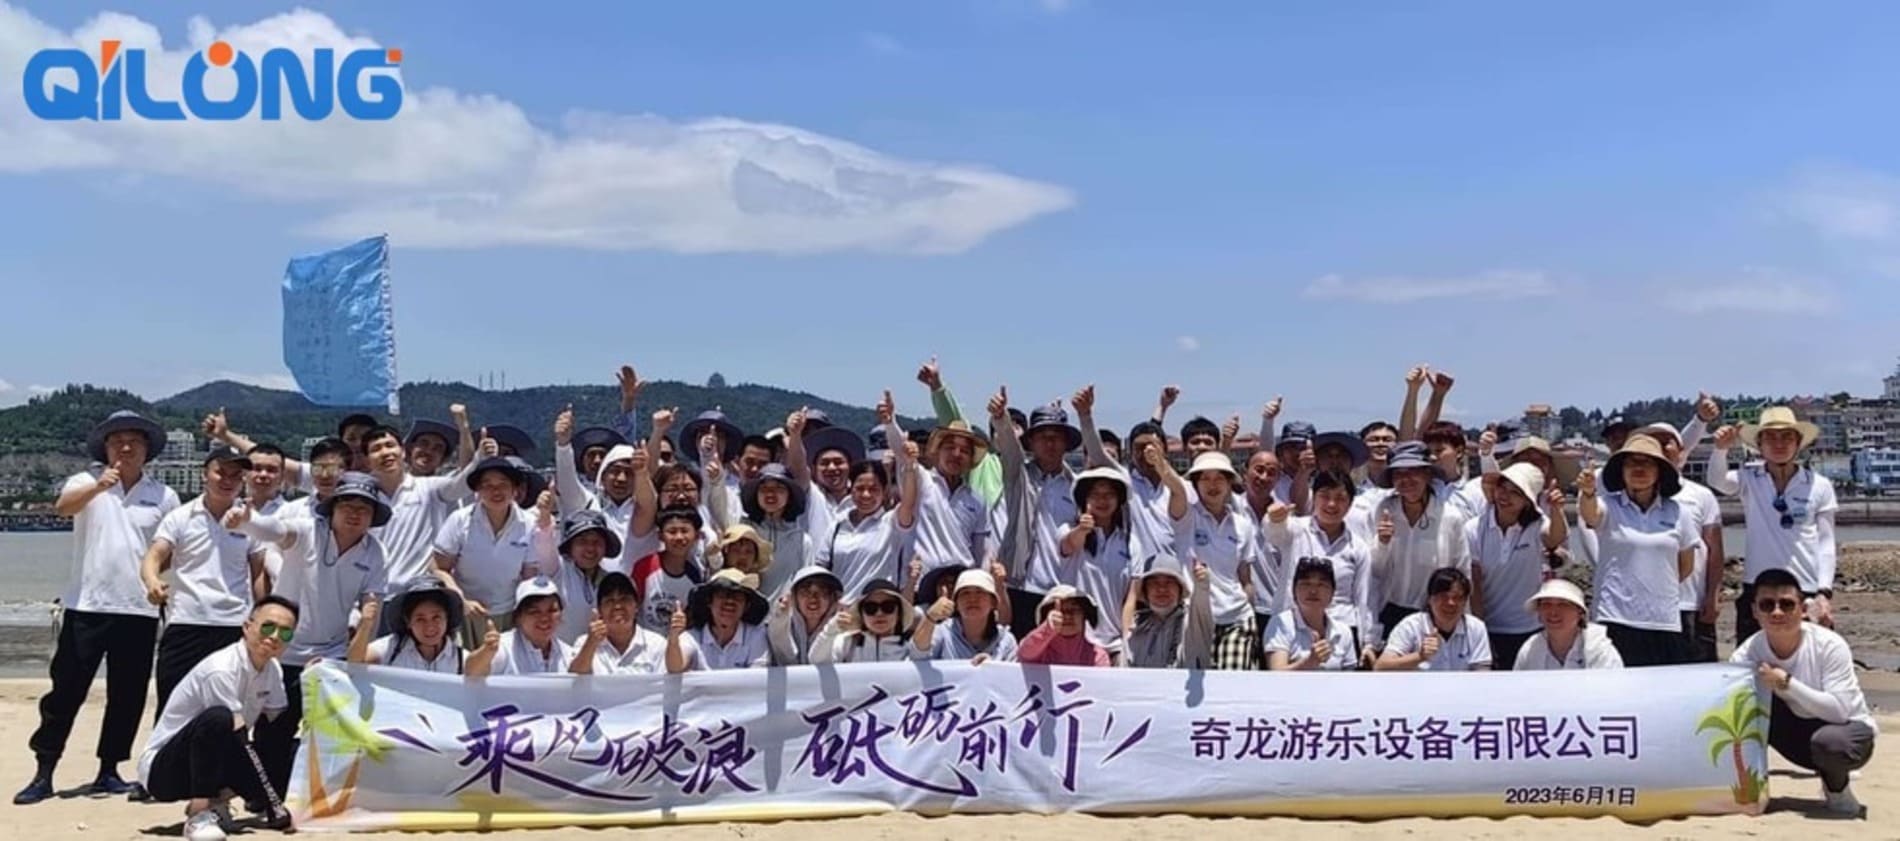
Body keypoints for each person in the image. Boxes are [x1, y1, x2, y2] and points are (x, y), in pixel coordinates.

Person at [20, 410, 177, 805]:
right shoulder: (85, 481)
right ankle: (44, 770)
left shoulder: (164, 495)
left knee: (128, 696)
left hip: (138, 610)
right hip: (86, 605)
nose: (125, 447)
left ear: (147, 450)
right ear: (105, 448)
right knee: (65, 691)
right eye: (117, 441)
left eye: (134, 441)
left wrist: (156, 579)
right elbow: (63, 508)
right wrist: (97, 487)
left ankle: (109, 770)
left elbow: (170, 548)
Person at [226, 471, 389, 798]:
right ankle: (263, 795)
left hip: (331, 657)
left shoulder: (375, 551)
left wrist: (365, 627)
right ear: (333, 508)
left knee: (328, 732)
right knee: (273, 729)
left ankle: (315, 794)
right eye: (347, 505)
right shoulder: (307, 531)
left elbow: (372, 602)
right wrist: (247, 522)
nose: (355, 514)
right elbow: (275, 530)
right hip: (284, 651)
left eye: (364, 508)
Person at [137, 596, 299, 841]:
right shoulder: (221, 669)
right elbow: (236, 735)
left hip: (217, 758)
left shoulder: (273, 669)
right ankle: (198, 815)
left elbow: (277, 723)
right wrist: (269, 798)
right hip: (165, 771)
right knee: (219, 719)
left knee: (289, 746)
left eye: (285, 633)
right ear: (247, 627)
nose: (275, 636)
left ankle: (218, 803)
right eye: (268, 627)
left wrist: (311, 678)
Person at [1731, 569, 1877, 818]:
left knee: (1831, 744)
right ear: (1755, 611)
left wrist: (1787, 683)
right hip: (1795, 735)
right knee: (1742, 713)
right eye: (1767, 605)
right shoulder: (1746, 655)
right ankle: (1751, 789)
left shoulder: (1829, 645)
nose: (1777, 612)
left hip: (1847, 732)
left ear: (1803, 609)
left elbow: (1840, 711)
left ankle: (1837, 789)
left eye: (1787, 604)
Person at [142, 446, 268, 715]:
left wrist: (263, 615)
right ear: (205, 474)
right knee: (173, 709)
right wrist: (152, 581)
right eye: (221, 472)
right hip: (186, 623)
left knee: (228, 711)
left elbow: (259, 573)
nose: (227, 480)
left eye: (235, 475)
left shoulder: (251, 521)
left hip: (234, 626)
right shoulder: (180, 517)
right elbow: (154, 556)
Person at [1706, 407, 1840, 642]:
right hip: (1757, 587)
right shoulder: (1749, 478)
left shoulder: (1819, 485)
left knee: (1810, 657)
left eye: (1787, 437)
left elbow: (1826, 542)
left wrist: (1824, 592)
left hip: (1805, 587)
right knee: (1752, 658)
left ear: (1798, 443)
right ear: (1759, 444)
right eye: (1771, 437)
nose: (1779, 444)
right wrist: (1720, 449)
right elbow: (1717, 481)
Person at [1578, 435, 1699, 667]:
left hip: (1664, 621)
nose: (1639, 468)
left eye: (1647, 463)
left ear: (1659, 472)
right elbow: (1590, 514)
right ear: (1621, 471)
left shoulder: (1678, 512)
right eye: (1631, 462)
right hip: (1614, 618)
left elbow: (1685, 566)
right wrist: (1588, 493)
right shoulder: (1609, 505)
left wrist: (1655, 584)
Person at [989, 386, 1085, 643]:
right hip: (1020, 587)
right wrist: (1000, 418)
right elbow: (1009, 448)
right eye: (1042, 436)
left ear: (1066, 443)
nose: (1050, 443)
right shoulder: (1018, 477)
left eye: (1056, 437)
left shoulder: (1077, 487)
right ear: (1031, 442)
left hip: (1063, 591)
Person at [1162, 448, 1262, 670]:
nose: (1212, 485)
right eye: (1205, 478)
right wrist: (1161, 464)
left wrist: (1249, 607)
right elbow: (1176, 489)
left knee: (1231, 682)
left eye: (1219, 478)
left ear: (1229, 483)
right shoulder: (1187, 517)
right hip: (1195, 617)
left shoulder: (1243, 525)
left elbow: (1245, 577)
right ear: (1196, 484)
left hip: (1237, 617)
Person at [1264, 469, 1377, 660]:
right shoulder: (1295, 529)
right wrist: (1274, 519)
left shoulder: (1358, 548)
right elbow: (1273, 533)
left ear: (1350, 504)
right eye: (1325, 496)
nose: (1332, 504)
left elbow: (1365, 597)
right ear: (1313, 498)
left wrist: (1368, 642)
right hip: (1294, 628)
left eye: (1340, 498)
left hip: (1341, 633)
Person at [812, 406, 921, 600]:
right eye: (860, 488)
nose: (866, 495)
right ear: (850, 487)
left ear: (884, 490)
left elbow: (909, 501)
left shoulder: (893, 522)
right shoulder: (837, 525)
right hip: (841, 612)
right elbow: (821, 568)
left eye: (873, 489)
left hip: (879, 611)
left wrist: (910, 465)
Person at [1637, 423, 1725, 663]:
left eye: (1667, 441)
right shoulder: (1631, 496)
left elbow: (1715, 550)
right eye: (1653, 441)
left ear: (1681, 449)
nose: (1660, 447)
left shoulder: (1701, 495)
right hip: (1645, 608)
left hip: (1690, 602)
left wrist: (1713, 595)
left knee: (1698, 673)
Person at [1467, 462, 1566, 670]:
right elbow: (1474, 584)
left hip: (1530, 627)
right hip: (1490, 626)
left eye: (1516, 492)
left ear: (1528, 501)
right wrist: (1480, 631)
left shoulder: (1537, 524)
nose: (1505, 496)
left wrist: (1557, 510)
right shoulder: (1474, 528)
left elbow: (1554, 538)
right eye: (1502, 488)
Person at [433, 456, 540, 646]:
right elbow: (437, 568)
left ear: (514, 489)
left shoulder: (529, 524)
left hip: (510, 613)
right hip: (465, 613)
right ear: (478, 491)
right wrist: (460, 599)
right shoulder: (460, 520)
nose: (495, 491)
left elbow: (529, 576)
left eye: (503, 484)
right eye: (487, 485)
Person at [1370, 441, 1471, 637]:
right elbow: (1375, 570)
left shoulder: (1450, 516)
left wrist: (1462, 621)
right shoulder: (1385, 509)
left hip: (1434, 613)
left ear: (1427, 474)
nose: (1406, 480)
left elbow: (1462, 571)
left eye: (1413, 472)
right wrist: (1382, 543)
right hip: (1389, 611)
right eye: (1399, 474)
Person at [1053, 466, 1140, 661]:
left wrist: (1126, 641)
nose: (1102, 500)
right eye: (1095, 495)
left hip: (1116, 644)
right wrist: (1082, 529)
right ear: (1084, 499)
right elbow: (1069, 545)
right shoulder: (1067, 530)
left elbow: (1131, 598)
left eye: (1109, 494)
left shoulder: (1131, 542)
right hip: (1078, 641)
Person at [532, 508, 625, 644]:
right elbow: (545, 545)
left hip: (599, 653)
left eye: (597, 542)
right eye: (582, 542)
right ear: (570, 546)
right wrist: (545, 523)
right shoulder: (557, 570)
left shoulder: (610, 581)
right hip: (560, 654)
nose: (590, 548)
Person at [1375, 567, 1492, 671]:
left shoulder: (1476, 628)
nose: (1451, 603)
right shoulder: (1411, 626)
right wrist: (1419, 657)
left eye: (1457, 597)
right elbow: (1380, 667)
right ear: (1430, 599)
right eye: (1444, 597)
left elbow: (1482, 672)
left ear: (1465, 601)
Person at [348, 579, 468, 674]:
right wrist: (365, 625)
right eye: (420, 619)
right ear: (408, 622)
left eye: (436, 617)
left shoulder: (461, 658)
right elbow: (354, 664)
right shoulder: (391, 648)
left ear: (447, 618)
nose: (430, 626)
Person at [571, 572, 680, 675]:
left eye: (624, 599)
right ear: (599, 610)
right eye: (610, 601)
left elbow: (670, 681)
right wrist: (591, 643)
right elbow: (573, 679)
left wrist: (674, 638)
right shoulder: (584, 643)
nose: (617, 606)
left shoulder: (656, 644)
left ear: (637, 606)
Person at [731, 464, 811, 599]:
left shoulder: (802, 540)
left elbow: (806, 582)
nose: (770, 494)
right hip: (747, 608)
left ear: (789, 495)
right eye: (764, 489)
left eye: (779, 489)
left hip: (785, 610)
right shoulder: (744, 529)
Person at [1264, 558, 1359, 671]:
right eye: (1306, 584)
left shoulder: (1343, 632)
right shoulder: (1280, 624)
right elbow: (1276, 674)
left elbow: (1350, 677)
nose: (1313, 591)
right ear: (1294, 591)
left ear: (1332, 593)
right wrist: (1310, 662)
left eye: (1321, 585)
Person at [1122, 553, 1214, 669]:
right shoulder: (1135, 632)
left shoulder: (1192, 625)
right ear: (1145, 590)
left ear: (1180, 589)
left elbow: (1201, 606)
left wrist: (1202, 585)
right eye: (1154, 583)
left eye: (1169, 582)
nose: (1162, 589)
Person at [629, 506, 709, 634]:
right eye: (672, 531)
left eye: (685, 531)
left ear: (697, 535)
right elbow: (631, 606)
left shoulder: (696, 575)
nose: (679, 537)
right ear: (660, 536)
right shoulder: (645, 567)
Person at [471, 577, 573, 676]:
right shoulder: (504, 647)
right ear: (518, 617)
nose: (544, 618)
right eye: (534, 612)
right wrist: (486, 653)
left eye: (552, 610)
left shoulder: (568, 654)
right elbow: (471, 673)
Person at [1513, 579, 1622, 670]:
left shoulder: (1599, 650)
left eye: (1563, 604)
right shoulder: (1530, 649)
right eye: (1546, 604)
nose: (1553, 612)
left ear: (1580, 613)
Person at [916, 568, 1020, 663]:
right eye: (965, 593)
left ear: (993, 602)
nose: (972, 599)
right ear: (956, 604)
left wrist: (991, 668)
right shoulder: (944, 632)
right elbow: (918, 654)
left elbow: (1012, 675)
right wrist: (930, 618)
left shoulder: (1006, 641)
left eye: (979, 592)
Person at [813, 578, 927, 663]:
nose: (879, 613)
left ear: (899, 613)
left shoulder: (910, 648)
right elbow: (817, 661)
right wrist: (831, 629)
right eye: (871, 608)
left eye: (888, 607)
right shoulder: (847, 642)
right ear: (861, 614)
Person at [676, 570, 772, 670]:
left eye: (737, 597)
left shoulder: (756, 636)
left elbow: (758, 675)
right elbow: (676, 668)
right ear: (709, 601)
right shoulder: (691, 637)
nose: (730, 601)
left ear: (746, 606)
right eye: (722, 595)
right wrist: (674, 639)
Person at [766, 566, 845, 666]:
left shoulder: (843, 627)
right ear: (794, 597)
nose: (813, 598)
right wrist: (780, 619)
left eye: (822, 592)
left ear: (832, 598)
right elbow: (783, 656)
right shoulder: (781, 621)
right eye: (805, 592)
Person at [1019, 585, 1111, 666]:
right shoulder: (1036, 651)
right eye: (1060, 611)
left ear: (1085, 616)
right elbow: (1025, 653)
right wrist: (1047, 629)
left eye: (1074, 609)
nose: (1067, 616)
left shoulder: (1097, 657)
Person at [403, 418, 470, 477]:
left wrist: (464, 427)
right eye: (424, 444)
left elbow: (467, 468)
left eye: (437, 449)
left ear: (443, 459)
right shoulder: (397, 481)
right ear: (411, 448)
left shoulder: (446, 484)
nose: (428, 451)